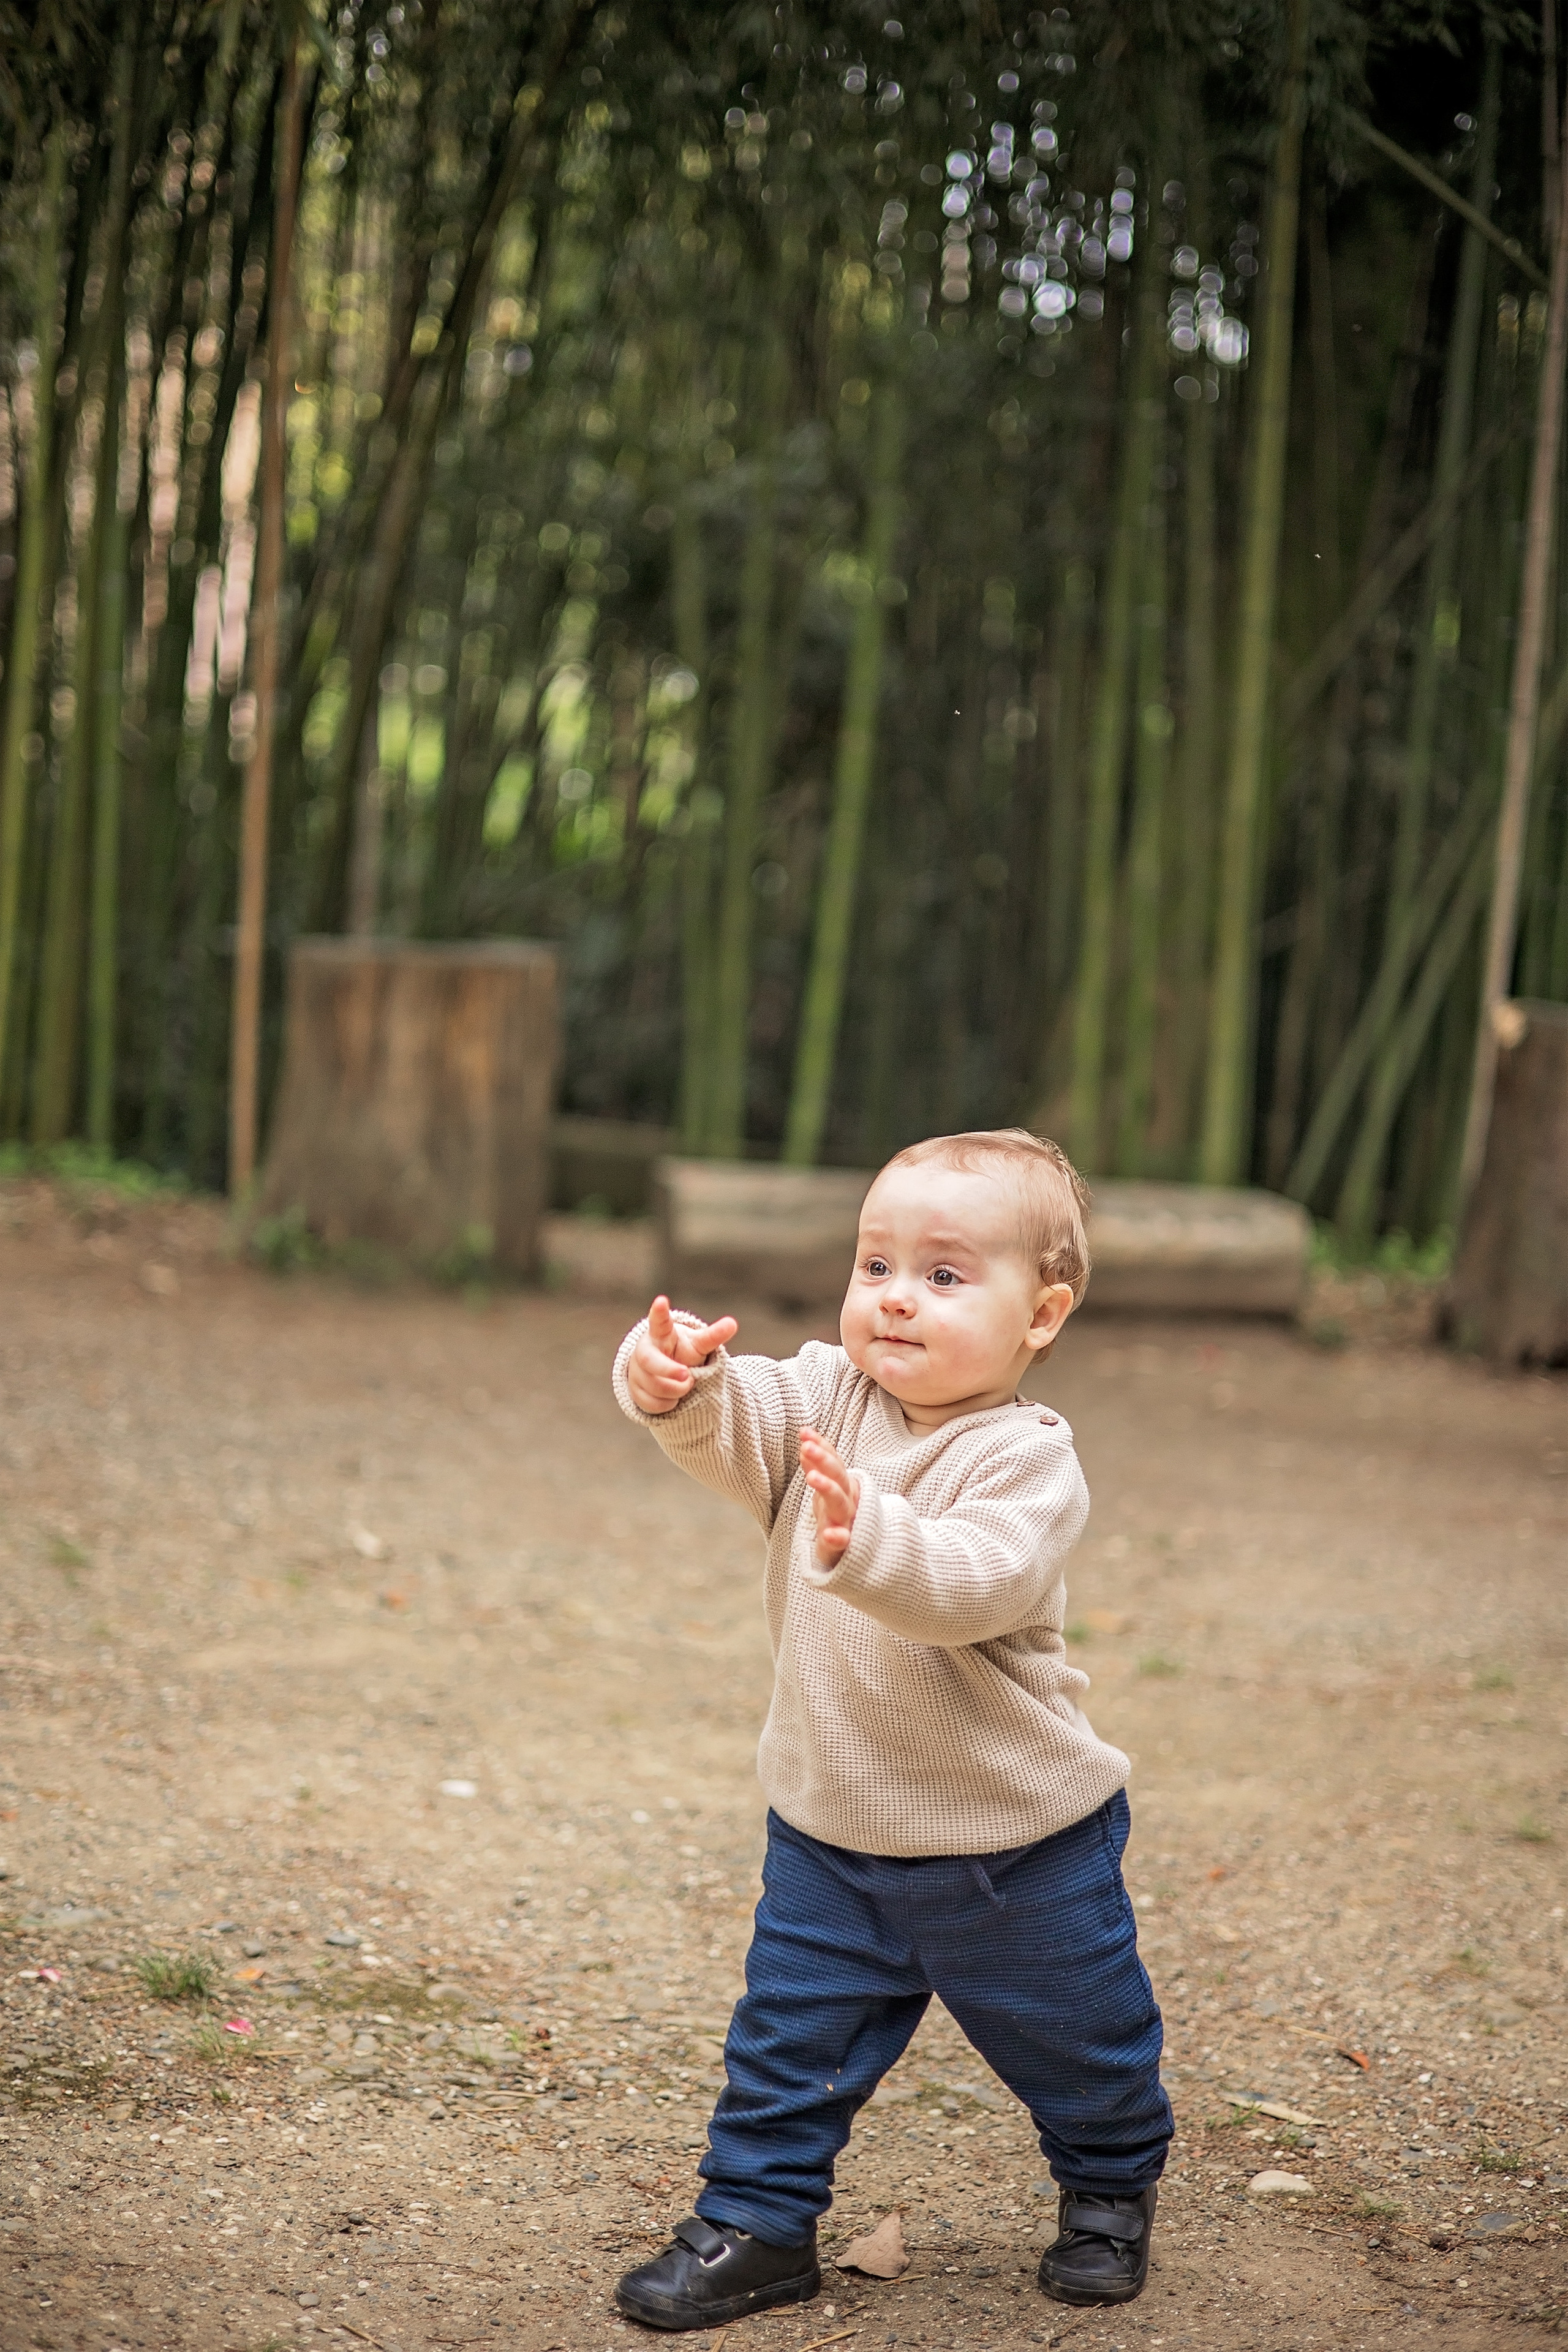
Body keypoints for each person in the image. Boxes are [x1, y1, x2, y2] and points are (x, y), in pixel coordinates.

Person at [609, 1128, 1170, 2331]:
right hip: (833, 1828)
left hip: (1013, 1841)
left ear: (1042, 1314)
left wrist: (869, 1533)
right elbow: (738, 1415)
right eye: (875, 1266)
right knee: (785, 2041)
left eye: (945, 1275)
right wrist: (675, 1382)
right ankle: (755, 2224)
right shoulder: (827, 1394)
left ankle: (1109, 2188)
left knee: (1084, 2041)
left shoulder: (1027, 1462)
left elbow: (971, 1581)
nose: (895, 1298)